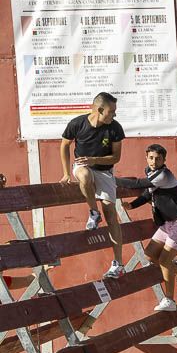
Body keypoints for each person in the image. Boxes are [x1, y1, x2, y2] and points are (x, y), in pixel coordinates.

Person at [115, 144, 177, 312]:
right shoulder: (152, 173)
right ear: (146, 157)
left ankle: (169, 301)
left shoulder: (164, 174)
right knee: (150, 255)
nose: (154, 161)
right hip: (168, 223)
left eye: (158, 158)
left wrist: (111, 179)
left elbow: (139, 184)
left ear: (164, 160)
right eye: (151, 158)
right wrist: (132, 205)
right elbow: (147, 194)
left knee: (165, 260)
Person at [59, 91, 126, 278]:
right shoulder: (77, 123)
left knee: (111, 213)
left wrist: (94, 159)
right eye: (111, 111)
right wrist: (66, 173)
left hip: (105, 170)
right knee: (85, 175)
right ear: (99, 109)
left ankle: (118, 263)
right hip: (82, 166)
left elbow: (116, 157)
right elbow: (64, 145)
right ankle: (93, 212)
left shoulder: (115, 128)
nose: (114, 115)